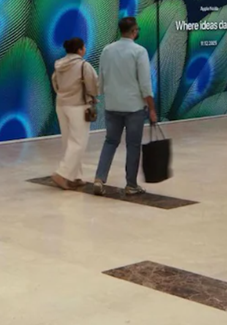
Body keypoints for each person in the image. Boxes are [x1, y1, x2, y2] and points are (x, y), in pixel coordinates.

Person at [94, 17, 157, 196]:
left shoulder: (107, 50)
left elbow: (102, 78)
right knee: (133, 145)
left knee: (110, 141)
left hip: (112, 104)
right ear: (134, 31)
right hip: (133, 106)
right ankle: (131, 184)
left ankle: (99, 178)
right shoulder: (139, 52)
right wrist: (151, 108)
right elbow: (145, 84)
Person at [51, 37, 99, 190]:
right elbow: (94, 86)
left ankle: (75, 176)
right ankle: (62, 173)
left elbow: (55, 82)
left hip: (61, 105)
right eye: (83, 47)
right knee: (79, 142)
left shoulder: (59, 65)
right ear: (80, 50)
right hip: (78, 106)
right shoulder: (84, 66)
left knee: (68, 140)